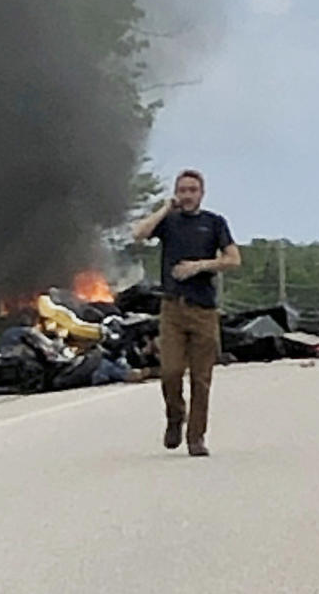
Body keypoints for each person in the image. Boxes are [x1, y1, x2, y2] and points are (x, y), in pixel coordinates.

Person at [132, 169, 241, 457]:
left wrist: (199, 266)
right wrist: (165, 208)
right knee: (170, 371)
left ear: (201, 193)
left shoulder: (214, 223)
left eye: (193, 190)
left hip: (204, 309)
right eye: (182, 190)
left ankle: (196, 437)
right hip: (172, 308)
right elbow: (139, 234)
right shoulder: (168, 222)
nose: (187, 195)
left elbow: (233, 259)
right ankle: (174, 417)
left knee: (201, 378)